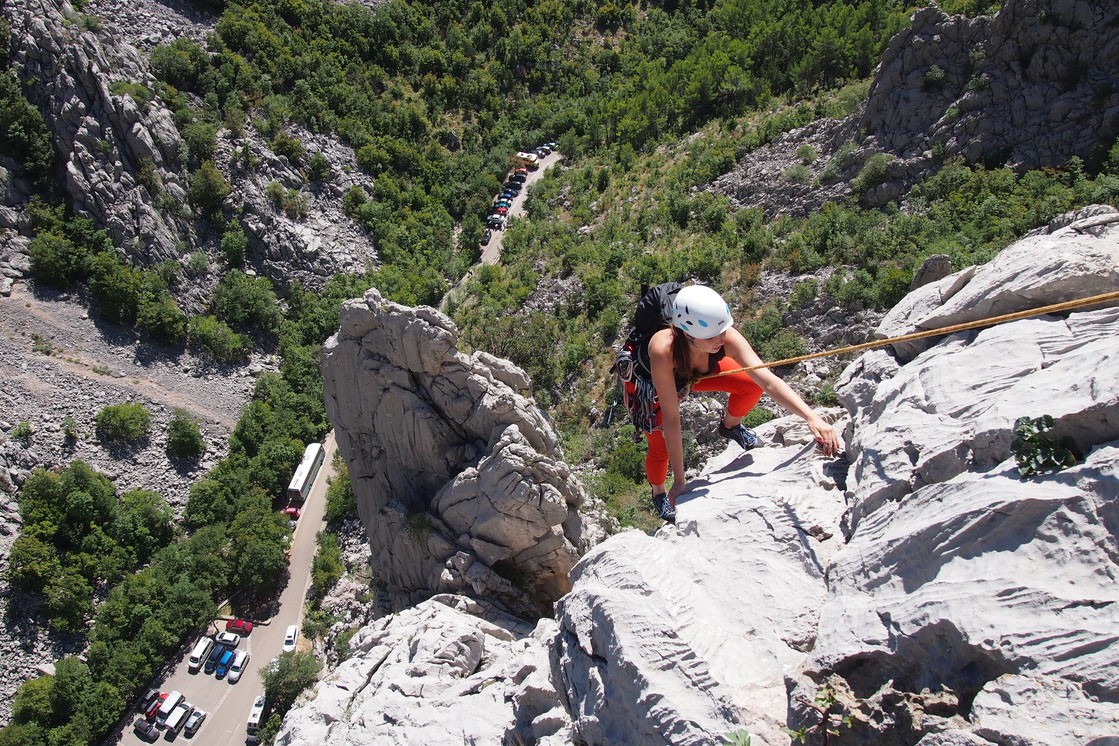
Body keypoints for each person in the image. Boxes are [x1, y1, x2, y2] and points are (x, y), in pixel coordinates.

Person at [642, 284, 841, 522]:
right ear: (687, 334)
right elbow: (672, 417)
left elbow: (767, 380)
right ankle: (658, 492)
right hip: (652, 383)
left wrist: (811, 416)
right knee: (660, 444)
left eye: (723, 330)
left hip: (693, 372)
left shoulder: (725, 337)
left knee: (750, 383)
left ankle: (730, 426)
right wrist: (680, 482)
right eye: (712, 336)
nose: (721, 339)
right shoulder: (662, 349)